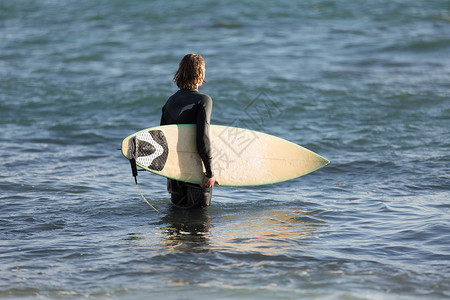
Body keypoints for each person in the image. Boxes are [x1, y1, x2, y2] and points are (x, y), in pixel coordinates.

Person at [160, 54, 219, 209]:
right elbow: (202, 138)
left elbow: (164, 142)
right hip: (197, 175)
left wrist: (169, 176)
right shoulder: (203, 100)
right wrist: (210, 173)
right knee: (201, 227)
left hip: (176, 175)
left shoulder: (169, 102)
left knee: (176, 227)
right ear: (200, 74)